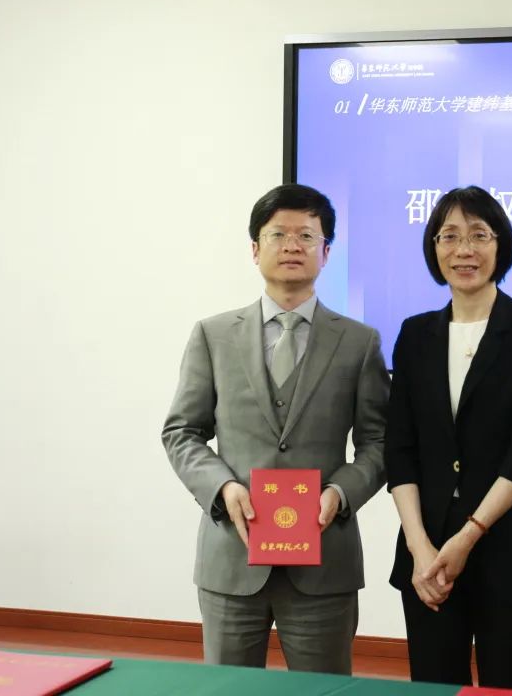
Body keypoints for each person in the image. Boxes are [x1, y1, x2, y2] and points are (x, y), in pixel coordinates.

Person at [162, 184, 389, 675]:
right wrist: (222, 488)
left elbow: (379, 442)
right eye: (278, 234)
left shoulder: (359, 342)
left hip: (324, 560)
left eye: (306, 235)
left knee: (322, 690)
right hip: (232, 554)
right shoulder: (213, 335)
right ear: (254, 248)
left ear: (326, 252)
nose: (292, 245)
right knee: (228, 691)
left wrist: (341, 493)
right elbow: (182, 431)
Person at [384, 185, 512, 690]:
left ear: (500, 244)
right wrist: (420, 547)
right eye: (450, 236)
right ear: (434, 248)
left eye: (479, 235)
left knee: (509, 685)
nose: (464, 250)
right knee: (435, 685)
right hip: (428, 560)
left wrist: (466, 538)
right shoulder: (415, 334)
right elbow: (400, 449)